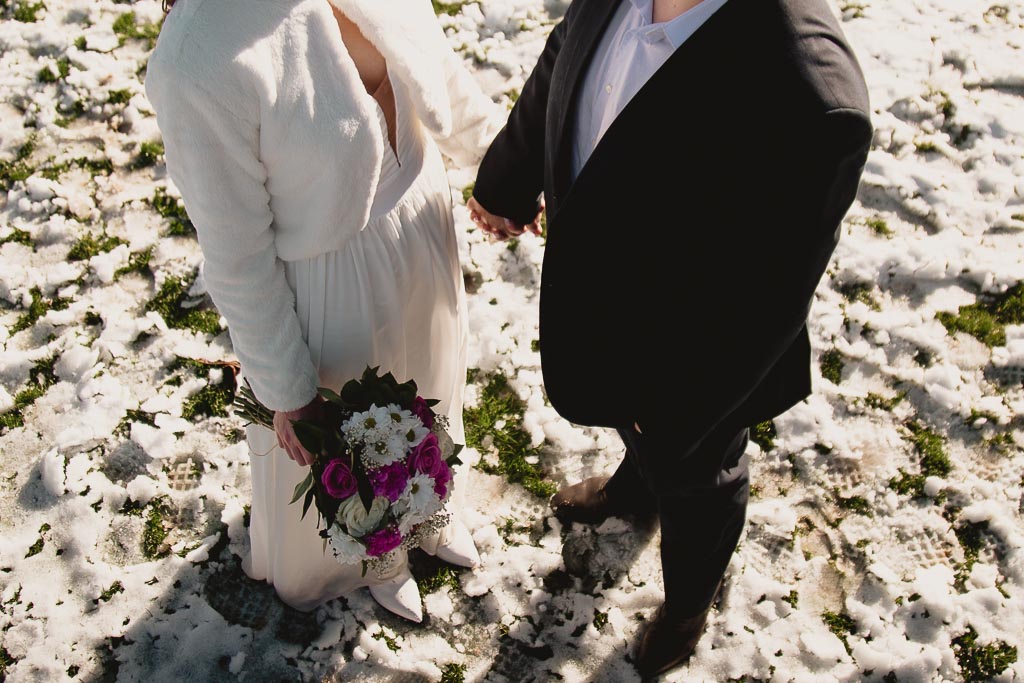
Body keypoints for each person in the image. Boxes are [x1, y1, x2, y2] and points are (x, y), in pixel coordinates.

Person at [467, 0, 873, 676]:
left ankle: (687, 603)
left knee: (697, 474)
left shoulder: (809, 98)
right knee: (640, 438)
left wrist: (673, 414)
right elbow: (568, 51)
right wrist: (508, 179)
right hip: (605, 305)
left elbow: (760, 310)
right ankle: (634, 487)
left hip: (694, 359)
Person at [144, 0, 507, 623]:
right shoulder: (196, 59)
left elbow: (433, 63)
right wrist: (286, 386)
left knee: (432, 388)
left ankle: (429, 509)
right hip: (334, 279)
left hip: (423, 223)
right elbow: (237, 256)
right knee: (356, 444)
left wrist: (506, 167)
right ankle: (372, 557)